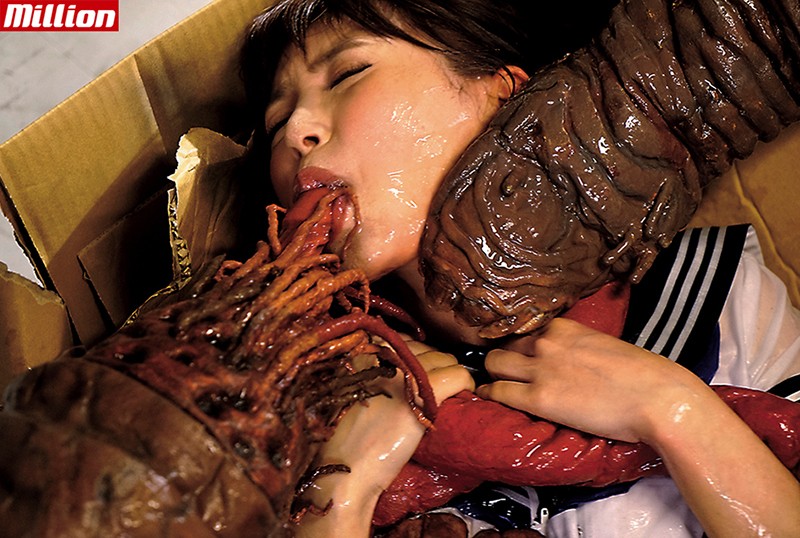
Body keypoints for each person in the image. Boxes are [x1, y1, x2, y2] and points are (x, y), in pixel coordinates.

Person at [239, 0, 800, 536]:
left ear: (503, 95)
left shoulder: (718, 299)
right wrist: (340, 494)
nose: (295, 132)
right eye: (277, 120)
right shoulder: (294, 388)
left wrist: (674, 410)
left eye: (347, 74)